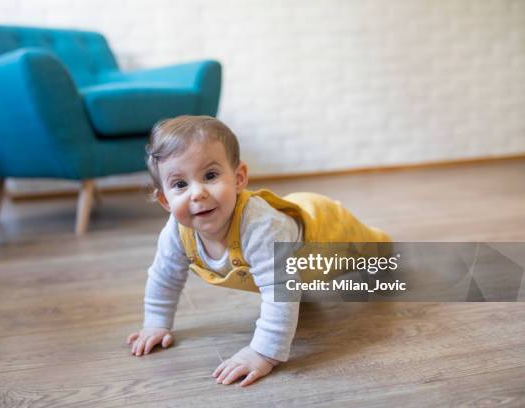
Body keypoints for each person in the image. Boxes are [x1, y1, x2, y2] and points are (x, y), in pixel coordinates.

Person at [126, 115, 390, 387]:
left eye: (211, 175)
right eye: (180, 184)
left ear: (239, 178)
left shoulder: (262, 227)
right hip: (287, 256)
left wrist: (262, 353)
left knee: (369, 248)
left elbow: (279, 288)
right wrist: (156, 323)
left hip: (320, 229)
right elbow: (164, 276)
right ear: (164, 200)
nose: (197, 193)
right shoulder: (177, 232)